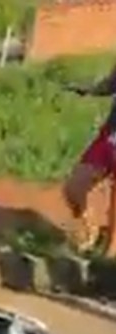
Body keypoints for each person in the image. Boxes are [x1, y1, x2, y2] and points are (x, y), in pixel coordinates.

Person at [63, 61, 116, 255]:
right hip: (111, 134)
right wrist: (89, 89)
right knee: (73, 189)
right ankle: (92, 233)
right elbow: (111, 84)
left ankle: (109, 255)